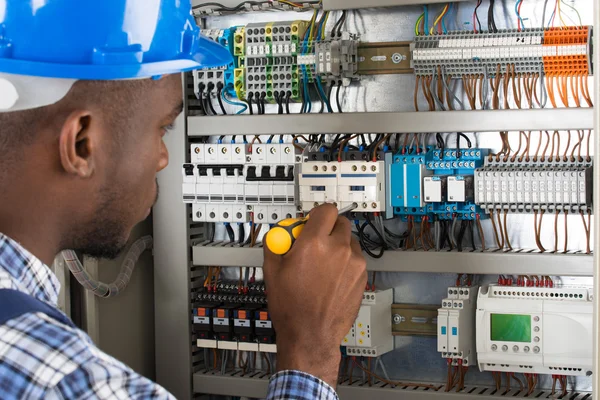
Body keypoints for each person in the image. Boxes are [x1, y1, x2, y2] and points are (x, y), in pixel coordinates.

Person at [0, 1, 367, 399]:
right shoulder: (76, 385)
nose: (164, 157)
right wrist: (310, 347)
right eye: (163, 128)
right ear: (82, 144)